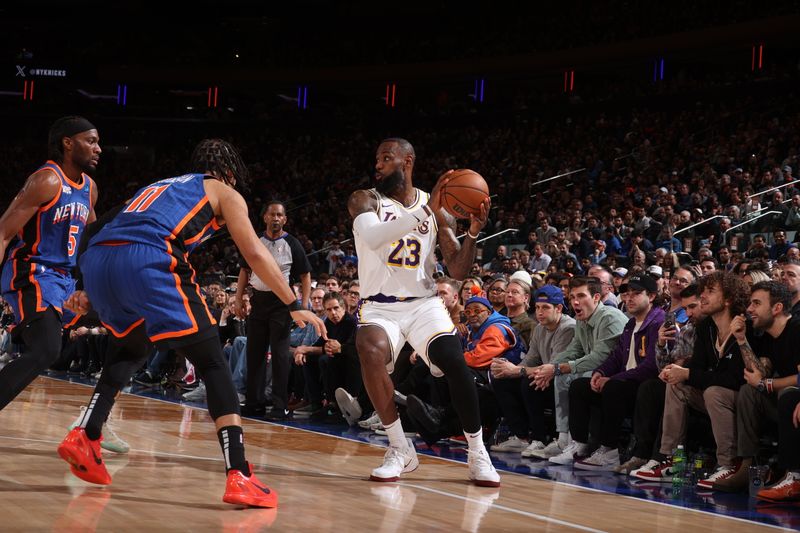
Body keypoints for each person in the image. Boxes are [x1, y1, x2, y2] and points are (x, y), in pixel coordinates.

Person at [57, 139, 326, 509]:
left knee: (131, 347)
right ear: (229, 172)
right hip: (150, 257)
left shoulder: (156, 187)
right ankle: (240, 474)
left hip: (100, 259)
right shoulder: (224, 192)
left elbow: (95, 229)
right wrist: (293, 303)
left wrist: (85, 285)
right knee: (213, 362)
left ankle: (85, 434)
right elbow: (254, 253)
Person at [348, 137, 499, 486]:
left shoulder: (439, 210)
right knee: (368, 348)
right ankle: (400, 448)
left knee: (454, 361)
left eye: (386, 158)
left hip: (423, 302)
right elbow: (373, 237)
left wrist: (474, 233)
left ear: (408, 161)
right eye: (378, 158)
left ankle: (477, 453)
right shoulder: (365, 199)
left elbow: (458, 271)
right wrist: (426, 210)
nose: (379, 165)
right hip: (379, 306)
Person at [0, 116, 99, 411]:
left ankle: (94, 420)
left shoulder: (90, 188)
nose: (99, 149)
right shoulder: (47, 179)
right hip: (32, 272)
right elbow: (4, 232)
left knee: (128, 324)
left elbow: (92, 242)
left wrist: (97, 287)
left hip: (65, 280)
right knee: (45, 349)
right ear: (68, 144)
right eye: (91, 141)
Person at [655, 271, 750, 490]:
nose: (703, 297)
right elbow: (696, 368)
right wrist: (677, 370)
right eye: (703, 291)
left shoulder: (744, 327)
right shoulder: (706, 327)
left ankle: (728, 464)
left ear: (728, 299)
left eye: (710, 292)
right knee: (676, 383)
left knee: (714, 391)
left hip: (744, 400)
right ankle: (672, 459)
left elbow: (735, 379)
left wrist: (688, 373)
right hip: (716, 398)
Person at [569, 274, 664, 471]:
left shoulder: (658, 322)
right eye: (627, 294)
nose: (629, 299)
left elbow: (651, 366)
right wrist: (600, 372)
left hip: (645, 386)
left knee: (613, 387)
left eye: (636, 294)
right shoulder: (630, 324)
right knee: (579, 386)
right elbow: (615, 356)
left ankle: (609, 450)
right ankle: (578, 444)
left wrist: (611, 378)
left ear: (652, 296)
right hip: (624, 383)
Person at [531, 276, 628, 464]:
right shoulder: (581, 319)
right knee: (560, 377)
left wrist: (557, 368)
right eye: (572, 297)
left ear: (597, 297)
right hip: (598, 372)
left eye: (581, 296)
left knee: (570, 379)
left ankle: (579, 443)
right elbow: (574, 350)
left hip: (617, 375)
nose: (575, 302)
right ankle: (565, 439)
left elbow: (600, 358)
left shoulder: (609, 317)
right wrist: (549, 367)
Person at [717, 281, 800, 492]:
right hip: (785, 405)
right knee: (749, 391)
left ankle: (792, 475)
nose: (749, 309)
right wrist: (742, 339)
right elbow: (757, 375)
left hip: (793, 401)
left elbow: (770, 381)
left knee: (788, 395)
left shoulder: (797, 329)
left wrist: (769, 384)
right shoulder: (768, 336)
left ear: (777, 307)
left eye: (756, 303)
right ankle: (748, 465)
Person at [236, 200, 312, 421]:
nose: (276, 218)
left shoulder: (293, 243)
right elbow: (244, 270)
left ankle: (280, 406)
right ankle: (254, 403)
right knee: (254, 354)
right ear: (265, 218)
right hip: (258, 301)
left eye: (280, 215)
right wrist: (240, 297)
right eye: (273, 214)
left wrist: (304, 304)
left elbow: (305, 275)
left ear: (285, 219)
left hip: (282, 305)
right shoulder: (255, 241)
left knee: (279, 356)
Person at [490, 285, 576, 456]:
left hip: (562, 380)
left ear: (558, 308)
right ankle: (520, 437)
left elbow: (553, 366)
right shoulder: (539, 328)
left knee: (529, 383)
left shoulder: (568, 328)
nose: (540, 312)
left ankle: (540, 439)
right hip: (543, 376)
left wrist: (518, 371)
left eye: (545, 307)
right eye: (537, 307)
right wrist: (507, 368)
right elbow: (530, 359)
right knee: (501, 379)